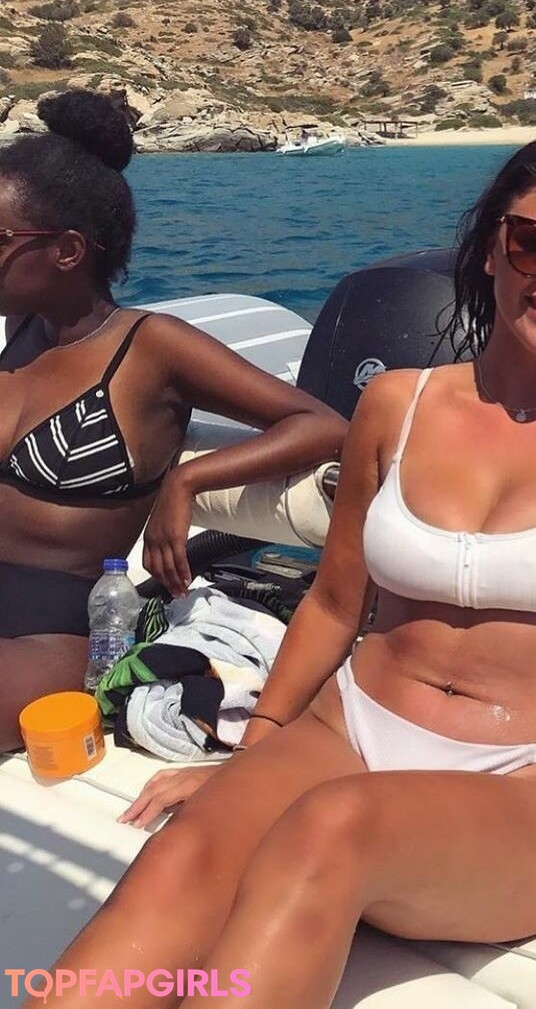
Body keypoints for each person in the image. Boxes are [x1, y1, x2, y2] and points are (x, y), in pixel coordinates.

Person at [38, 135, 536, 1008]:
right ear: (491, 247)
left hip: (527, 781)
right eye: (535, 245)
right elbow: (335, 602)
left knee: (330, 828)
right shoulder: (397, 402)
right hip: (347, 728)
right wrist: (254, 753)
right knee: (186, 848)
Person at [0, 89, 347, 751]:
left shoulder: (151, 347)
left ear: (68, 250)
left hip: (53, 629)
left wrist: (186, 481)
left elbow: (323, 425)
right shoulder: (22, 332)